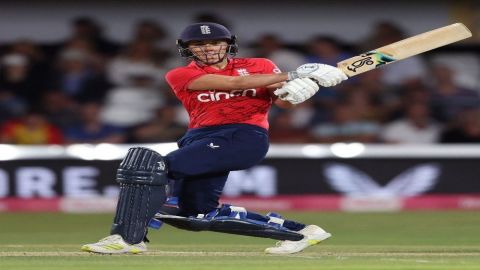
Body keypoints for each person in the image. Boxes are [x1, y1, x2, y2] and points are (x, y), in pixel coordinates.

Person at [81, 22, 347, 255]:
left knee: (149, 167)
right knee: (195, 214)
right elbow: (232, 85)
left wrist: (298, 92)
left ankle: (126, 239)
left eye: (214, 42)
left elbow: (282, 102)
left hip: (243, 135)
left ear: (228, 44)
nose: (207, 48)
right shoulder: (180, 74)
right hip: (199, 138)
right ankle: (302, 233)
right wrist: (294, 74)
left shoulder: (260, 66)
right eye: (198, 44)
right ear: (187, 49)